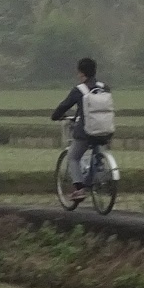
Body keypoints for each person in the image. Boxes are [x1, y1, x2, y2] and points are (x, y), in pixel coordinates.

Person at [49, 56, 112, 207]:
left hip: (86, 132)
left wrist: (55, 116)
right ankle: (100, 174)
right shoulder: (104, 87)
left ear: (81, 73)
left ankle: (79, 188)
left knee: (73, 157)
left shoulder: (79, 90)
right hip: (105, 130)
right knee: (97, 152)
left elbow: (64, 106)